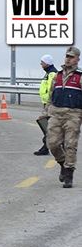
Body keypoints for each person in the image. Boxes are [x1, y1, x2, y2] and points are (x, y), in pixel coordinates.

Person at [46, 46, 82, 188]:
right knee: (53, 144)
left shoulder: (80, 77)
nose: (68, 59)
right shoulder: (58, 75)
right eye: (67, 56)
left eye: (71, 57)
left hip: (73, 114)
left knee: (70, 145)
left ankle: (69, 173)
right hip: (56, 112)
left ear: (77, 59)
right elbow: (50, 95)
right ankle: (62, 164)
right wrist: (46, 111)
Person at [34, 54, 58, 155]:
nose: (41, 64)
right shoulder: (48, 73)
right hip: (47, 104)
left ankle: (47, 147)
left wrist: (50, 103)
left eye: (42, 62)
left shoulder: (52, 74)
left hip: (50, 104)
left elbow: (52, 90)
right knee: (47, 125)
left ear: (47, 63)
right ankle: (47, 146)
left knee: (45, 124)